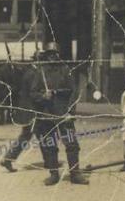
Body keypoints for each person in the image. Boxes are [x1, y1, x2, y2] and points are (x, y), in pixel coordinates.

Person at [30, 42, 89, 185]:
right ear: (46, 56)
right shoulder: (40, 72)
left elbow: (73, 92)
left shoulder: (66, 70)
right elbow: (32, 93)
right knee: (49, 145)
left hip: (64, 113)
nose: (52, 57)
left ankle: (75, 174)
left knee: (72, 144)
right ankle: (53, 174)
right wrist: (43, 97)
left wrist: (71, 111)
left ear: (58, 55)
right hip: (46, 114)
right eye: (49, 54)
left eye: (55, 54)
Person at [0, 52, 44, 172]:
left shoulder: (30, 72)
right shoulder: (33, 74)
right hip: (32, 110)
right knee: (43, 136)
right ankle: (51, 163)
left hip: (27, 110)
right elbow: (34, 94)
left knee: (26, 136)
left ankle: (8, 159)